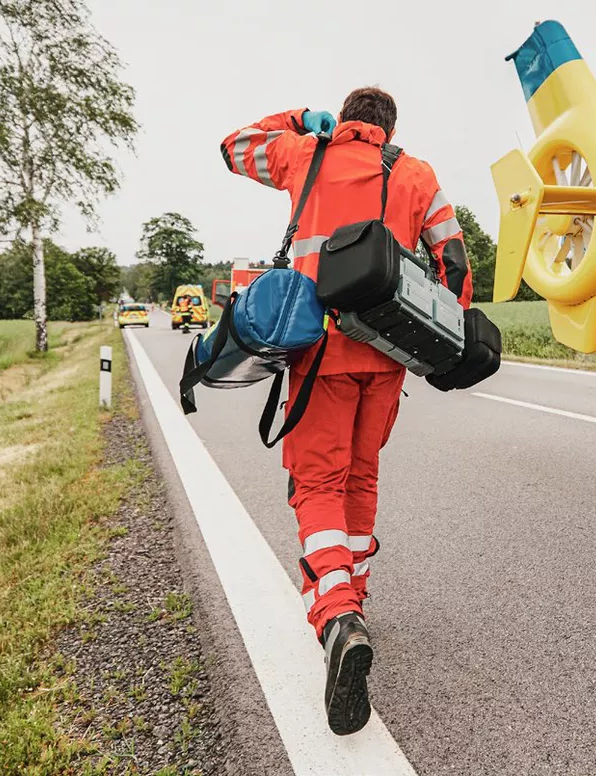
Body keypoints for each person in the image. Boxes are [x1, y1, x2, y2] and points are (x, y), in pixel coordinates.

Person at [220, 87, 472, 735]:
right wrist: (445, 332)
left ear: (346, 119)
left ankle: (336, 616)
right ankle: (354, 594)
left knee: (318, 485)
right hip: (386, 358)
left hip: (319, 352)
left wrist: (299, 119)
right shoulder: (416, 173)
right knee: (361, 479)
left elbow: (234, 146)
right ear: (387, 131)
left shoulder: (307, 153)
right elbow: (454, 258)